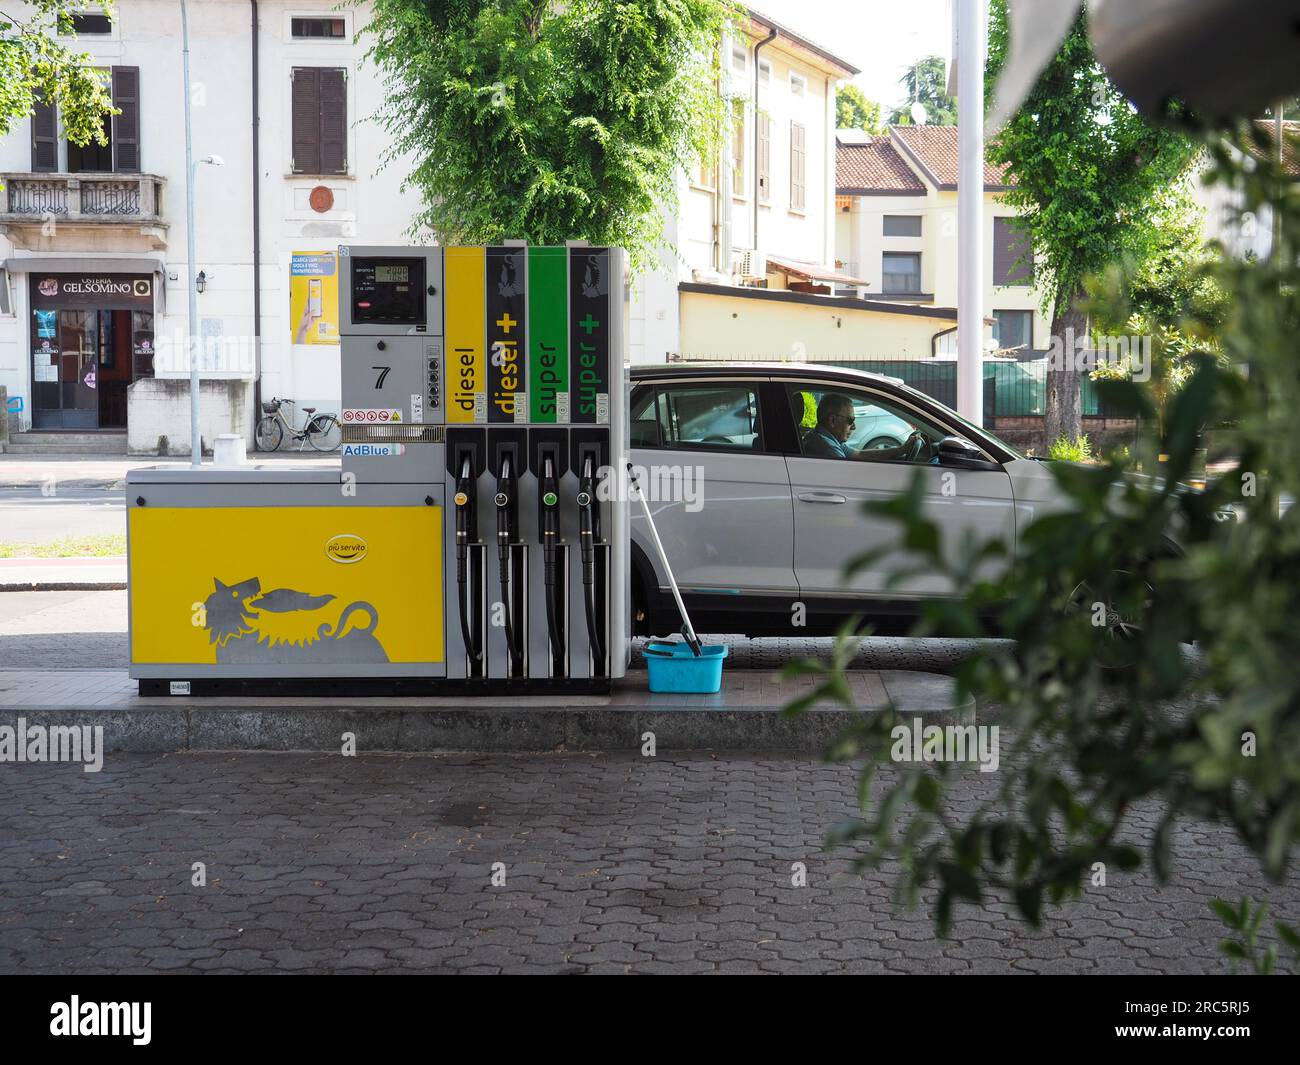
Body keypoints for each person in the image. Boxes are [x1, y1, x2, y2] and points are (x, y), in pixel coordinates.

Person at [800, 392, 927, 462]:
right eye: (850, 420)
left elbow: (859, 454)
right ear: (832, 420)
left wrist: (900, 450)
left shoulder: (826, 439)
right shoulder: (827, 450)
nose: (854, 427)